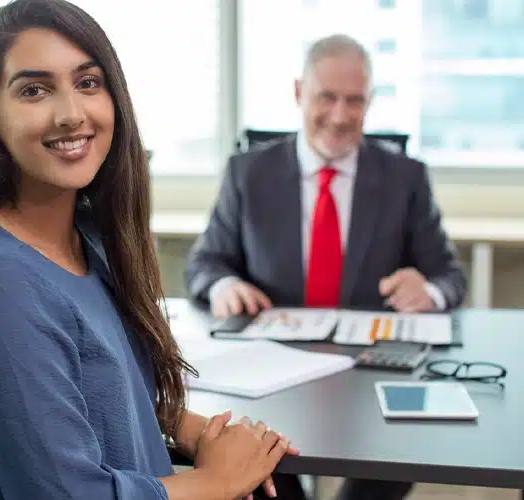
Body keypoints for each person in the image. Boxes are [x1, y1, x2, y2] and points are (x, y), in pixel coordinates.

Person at [0, 1, 299, 499]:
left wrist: (185, 426)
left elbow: (99, 395)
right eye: (33, 90)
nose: (70, 114)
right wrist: (216, 481)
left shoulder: (86, 239)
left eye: (87, 83)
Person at [185, 34, 467, 500]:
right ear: (299, 93)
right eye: (327, 97)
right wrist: (222, 284)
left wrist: (429, 292)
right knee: (259, 467)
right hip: (270, 374)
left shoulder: (406, 177)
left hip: (371, 373)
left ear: (369, 102)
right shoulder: (247, 172)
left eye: (354, 101)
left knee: (395, 463)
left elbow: (450, 277)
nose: (339, 116)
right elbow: (205, 262)